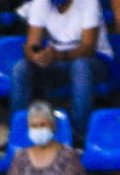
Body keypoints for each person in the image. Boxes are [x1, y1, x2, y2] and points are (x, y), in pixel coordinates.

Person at [11, 0, 112, 142]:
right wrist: (37, 55)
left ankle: (79, 136)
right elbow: (31, 44)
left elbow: (88, 48)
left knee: (80, 66)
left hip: (94, 61)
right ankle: (19, 134)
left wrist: (57, 56)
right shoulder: (41, 3)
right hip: (57, 62)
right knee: (20, 68)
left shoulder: (89, 2)